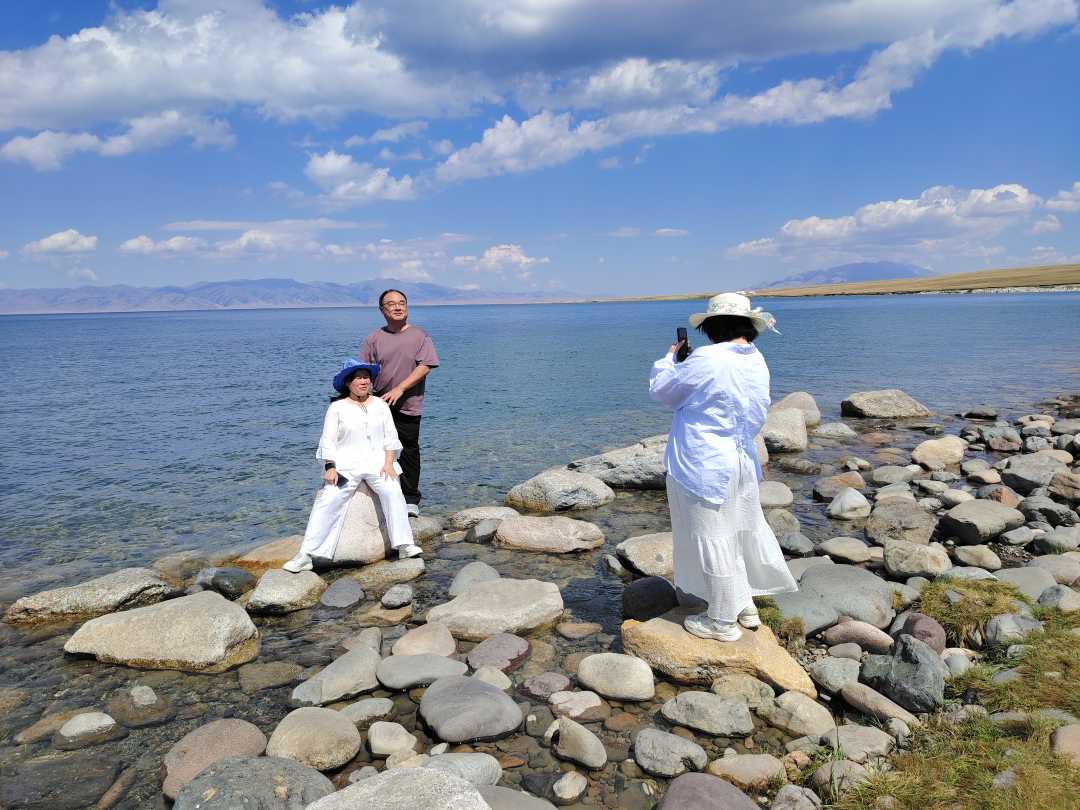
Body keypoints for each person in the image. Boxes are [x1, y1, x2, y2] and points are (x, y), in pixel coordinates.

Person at [648, 292, 797, 641]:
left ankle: (721, 621)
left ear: (713, 327)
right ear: (748, 326)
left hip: (704, 463)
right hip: (742, 460)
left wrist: (670, 359)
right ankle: (744, 606)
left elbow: (664, 392)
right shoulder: (756, 358)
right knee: (737, 531)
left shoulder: (707, 358)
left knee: (711, 536)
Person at [283, 359, 422, 573]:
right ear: (348, 383)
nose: (363, 381)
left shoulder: (381, 405)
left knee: (394, 492)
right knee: (328, 499)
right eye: (358, 378)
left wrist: (389, 463)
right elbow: (328, 440)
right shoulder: (336, 408)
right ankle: (306, 555)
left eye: (366, 377)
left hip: (378, 463)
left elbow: (390, 437)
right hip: (346, 465)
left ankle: (404, 545)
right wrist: (330, 467)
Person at [360, 289, 439, 516]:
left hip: (409, 404)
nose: (397, 307)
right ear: (382, 310)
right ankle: (380, 494)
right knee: (377, 449)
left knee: (408, 450)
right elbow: (363, 371)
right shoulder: (373, 338)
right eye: (391, 304)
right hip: (378, 403)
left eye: (402, 303)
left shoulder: (419, 336)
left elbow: (426, 365)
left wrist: (400, 388)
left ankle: (410, 499)